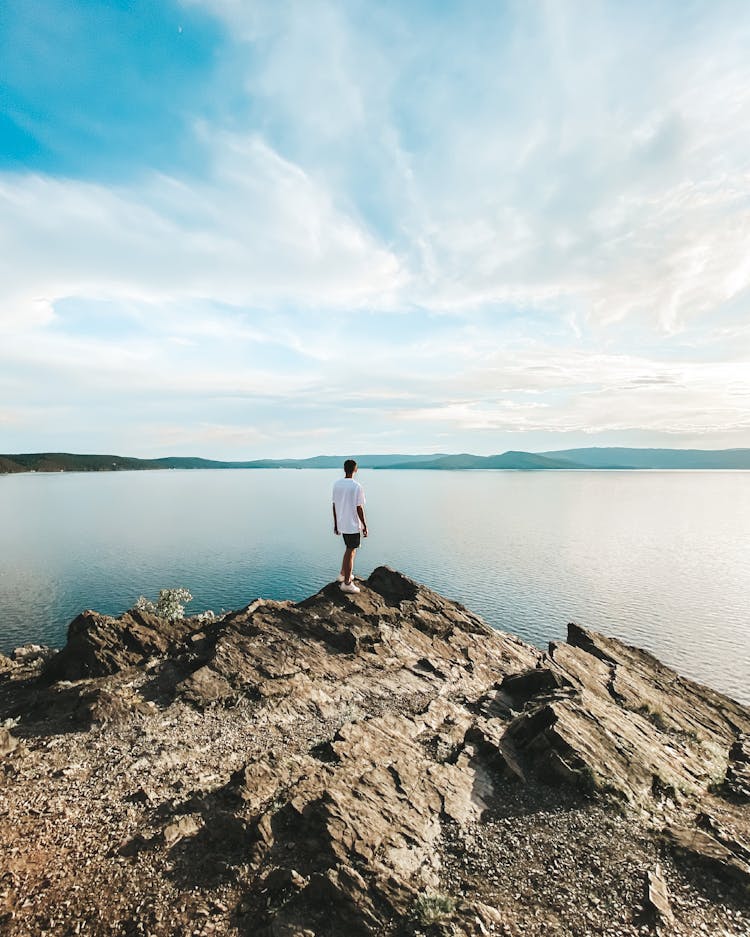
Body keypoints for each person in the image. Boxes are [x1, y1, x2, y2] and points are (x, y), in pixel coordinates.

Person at [332, 459, 368, 594]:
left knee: (348, 549)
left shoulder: (337, 485)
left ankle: (342, 574)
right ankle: (347, 583)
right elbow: (359, 508)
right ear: (355, 469)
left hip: (342, 523)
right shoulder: (356, 486)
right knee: (351, 551)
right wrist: (364, 525)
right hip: (352, 524)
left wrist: (336, 524)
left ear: (344, 469)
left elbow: (334, 505)